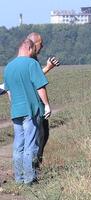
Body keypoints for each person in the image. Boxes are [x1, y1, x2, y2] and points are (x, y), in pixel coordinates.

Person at [3, 38, 51, 185]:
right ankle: (30, 179)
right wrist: (47, 105)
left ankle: (18, 178)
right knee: (31, 145)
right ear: (30, 48)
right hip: (31, 110)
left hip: (16, 111)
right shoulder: (32, 64)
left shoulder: (8, 67)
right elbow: (40, 87)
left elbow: (9, 92)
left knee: (18, 145)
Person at [27, 32, 60, 165]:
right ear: (34, 44)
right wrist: (48, 67)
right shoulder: (29, 60)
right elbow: (32, 80)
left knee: (44, 134)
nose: (42, 47)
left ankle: (36, 165)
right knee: (38, 136)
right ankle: (33, 167)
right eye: (41, 44)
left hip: (36, 104)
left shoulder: (33, 59)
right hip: (33, 104)